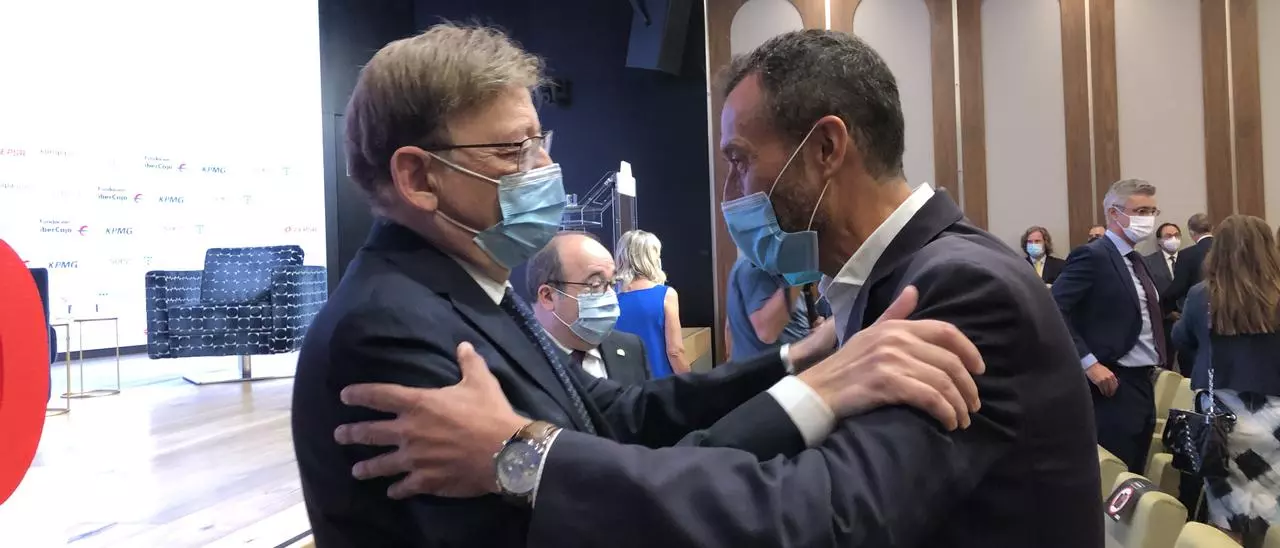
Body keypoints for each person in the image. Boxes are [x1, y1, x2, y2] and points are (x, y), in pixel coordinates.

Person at [335, 29, 1101, 547]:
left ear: (825, 147)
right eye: (516, 151)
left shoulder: (954, 287)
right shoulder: (392, 324)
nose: (545, 171)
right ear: (417, 177)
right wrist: (807, 372)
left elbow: (828, 512)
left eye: (738, 158)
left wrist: (526, 458)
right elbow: (605, 430)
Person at [1172, 214, 1280, 546]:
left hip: (1221, 421)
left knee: (1227, 512)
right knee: (1273, 512)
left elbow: (1181, 339)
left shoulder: (1201, 295)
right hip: (1274, 418)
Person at [1052, 178, 1166, 472]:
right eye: (1140, 211)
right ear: (1114, 213)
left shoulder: (1138, 260)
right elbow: (1053, 309)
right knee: (1115, 474)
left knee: (1136, 472)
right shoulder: (1092, 255)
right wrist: (1089, 364)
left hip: (1144, 381)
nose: (1148, 219)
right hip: (1112, 384)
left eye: (1152, 211)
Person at [525, 231, 650, 384]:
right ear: (548, 296)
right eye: (595, 284)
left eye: (612, 283)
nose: (610, 295)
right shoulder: (512, 361)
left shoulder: (632, 348)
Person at [613, 229, 689, 376]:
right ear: (652, 258)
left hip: (621, 381)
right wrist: (690, 381)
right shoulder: (666, 294)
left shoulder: (609, 297)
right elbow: (675, 351)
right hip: (659, 381)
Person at [725, 254, 810, 360]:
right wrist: (799, 273)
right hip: (766, 367)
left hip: (788, 363)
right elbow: (766, 332)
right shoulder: (754, 265)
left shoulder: (781, 270)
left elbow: (729, 328)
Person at [1162, 212, 1214, 312]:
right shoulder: (1228, 249)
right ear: (1212, 228)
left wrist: (1161, 305)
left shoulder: (1186, 255)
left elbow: (1178, 288)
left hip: (1199, 309)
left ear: (1191, 232)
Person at [1145, 222, 1181, 294]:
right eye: (1168, 236)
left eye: (1176, 235)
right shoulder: (1148, 262)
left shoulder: (1189, 258)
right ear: (1159, 241)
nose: (1173, 239)